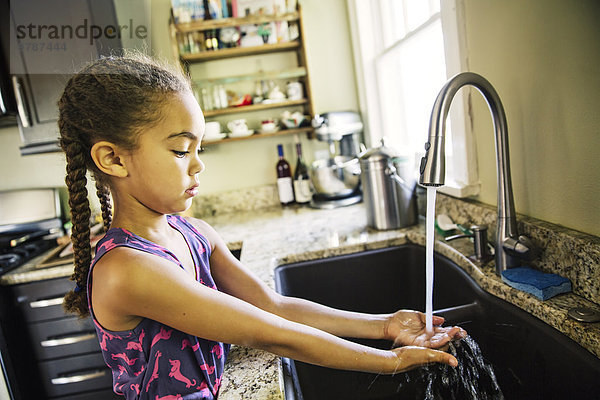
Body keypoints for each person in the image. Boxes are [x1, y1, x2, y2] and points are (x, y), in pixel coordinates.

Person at [58, 54, 466, 399]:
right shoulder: (126, 270)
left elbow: (273, 306)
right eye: (182, 150)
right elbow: (270, 332)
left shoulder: (192, 232)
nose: (198, 164)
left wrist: (384, 325)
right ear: (112, 159)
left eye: (200, 149)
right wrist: (390, 361)